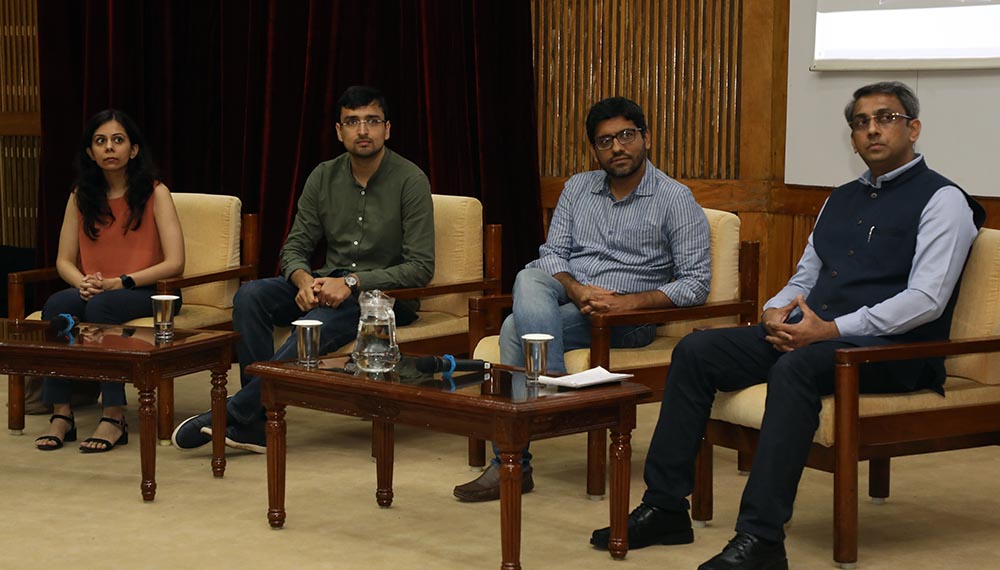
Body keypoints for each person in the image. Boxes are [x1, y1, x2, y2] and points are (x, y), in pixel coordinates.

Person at [590, 81, 986, 570]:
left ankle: (762, 539)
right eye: (860, 123)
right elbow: (807, 275)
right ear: (853, 139)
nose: (871, 130)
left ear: (912, 128)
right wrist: (777, 311)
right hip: (818, 334)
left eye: (884, 118)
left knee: (795, 367)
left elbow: (925, 299)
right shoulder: (840, 198)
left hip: (893, 350)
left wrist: (832, 329)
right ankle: (665, 507)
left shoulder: (944, 200)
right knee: (696, 350)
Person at [453, 96, 712, 502]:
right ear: (595, 149)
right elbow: (553, 254)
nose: (617, 148)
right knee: (529, 276)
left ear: (646, 138)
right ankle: (555, 393)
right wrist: (577, 290)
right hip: (574, 296)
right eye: (605, 141)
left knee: (510, 328)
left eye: (626, 136)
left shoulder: (675, 199)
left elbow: (695, 284)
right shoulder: (578, 187)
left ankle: (512, 463)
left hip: (627, 318)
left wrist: (628, 303)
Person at [172, 85, 434, 452]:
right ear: (338, 131)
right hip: (328, 284)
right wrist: (303, 279)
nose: (363, 131)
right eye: (353, 122)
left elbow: (420, 268)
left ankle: (235, 412)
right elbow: (294, 247)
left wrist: (353, 282)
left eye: (372, 121)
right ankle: (257, 421)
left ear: (387, 129)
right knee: (250, 296)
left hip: (385, 300)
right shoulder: (323, 177)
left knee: (313, 329)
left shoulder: (411, 180)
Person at [35, 109, 185, 453]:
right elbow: (63, 260)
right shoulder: (81, 195)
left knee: (100, 304)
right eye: (100, 141)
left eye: (118, 140)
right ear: (90, 152)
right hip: (100, 289)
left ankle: (114, 414)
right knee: (58, 304)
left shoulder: (155, 192)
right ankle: (61, 413)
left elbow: (175, 262)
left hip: (151, 291)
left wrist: (122, 281)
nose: (109, 148)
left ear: (133, 149)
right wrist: (82, 282)